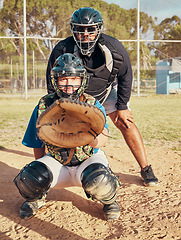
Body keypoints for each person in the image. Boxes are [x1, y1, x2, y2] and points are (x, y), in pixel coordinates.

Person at [45, 7, 158, 187]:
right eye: (80, 29)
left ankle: (146, 169)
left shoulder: (113, 48)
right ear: (73, 29)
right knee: (53, 126)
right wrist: (58, 106)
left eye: (90, 29)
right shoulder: (63, 48)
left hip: (106, 92)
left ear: (99, 29)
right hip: (75, 97)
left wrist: (122, 107)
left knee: (125, 122)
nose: (85, 34)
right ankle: (48, 167)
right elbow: (52, 79)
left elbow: (125, 76)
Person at [13, 53, 121, 221]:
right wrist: (40, 173)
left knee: (100, 179)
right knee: (32, 176)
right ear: (55, 81)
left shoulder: (92, 104)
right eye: (63, 79)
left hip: (87, 160)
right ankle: (36, 199)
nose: (69, 85)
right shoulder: (45, 105)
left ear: (82, 80)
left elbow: (103, 140)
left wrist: (89, 136)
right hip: (58, 163)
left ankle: (110, 200)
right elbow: (36, 143)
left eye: (74, 79)